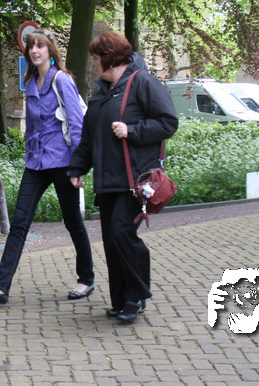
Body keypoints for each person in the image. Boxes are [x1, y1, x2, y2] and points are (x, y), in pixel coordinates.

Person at [0, 29, 95, 305]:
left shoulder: (61, 80)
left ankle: (86, 279)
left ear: (50, 50)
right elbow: (31, 126)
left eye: (40, 46)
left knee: (73, 222)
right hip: (36, 163)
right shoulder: (29, 83)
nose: (35, 51)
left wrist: (78, 167)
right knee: (19, 222)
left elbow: (77, 124)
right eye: (31, 47)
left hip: (62, 162)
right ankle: (1, 286)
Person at [69, 32, 178, 324]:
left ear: (110, 58)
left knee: (121, 234)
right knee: (111, 240)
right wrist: (77, 168)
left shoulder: (143, 83)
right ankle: (121, 301)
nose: (92, 63)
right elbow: (89, 137)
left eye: (95, 58)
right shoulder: (101, 93)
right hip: (108, 180)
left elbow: (168, 122)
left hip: (134, 179)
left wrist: (133, 130)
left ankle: (135, 296)